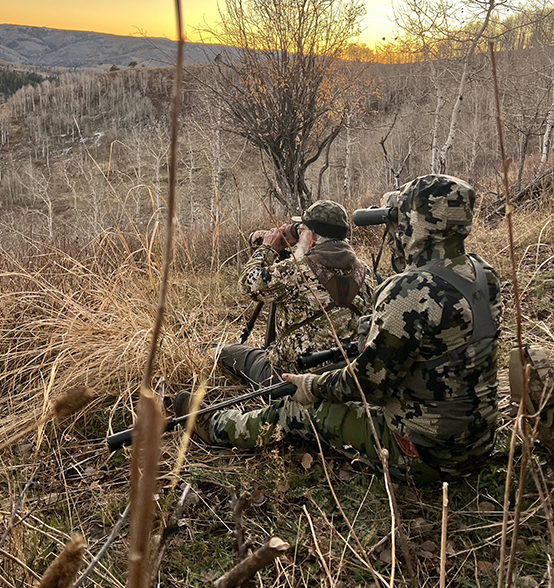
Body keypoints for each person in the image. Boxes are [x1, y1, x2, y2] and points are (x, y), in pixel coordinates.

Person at [178, 175, 502, 484]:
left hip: (422, 456)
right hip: (478, 445)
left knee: (293, 411)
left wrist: (312, 386)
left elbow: (368, 383)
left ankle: (214, 425)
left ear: (414, 225)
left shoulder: (408, 291)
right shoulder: (482, 274)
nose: (393, 230)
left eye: (397, 221)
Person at [218, 200, 373, 393]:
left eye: (302, 230)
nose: (299, 235)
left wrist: (268, 248)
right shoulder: (365, 272)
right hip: (345, 376)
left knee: (227, 352)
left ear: (312, 237)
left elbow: (247, 284)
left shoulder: (294, 272)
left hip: (293, 378)